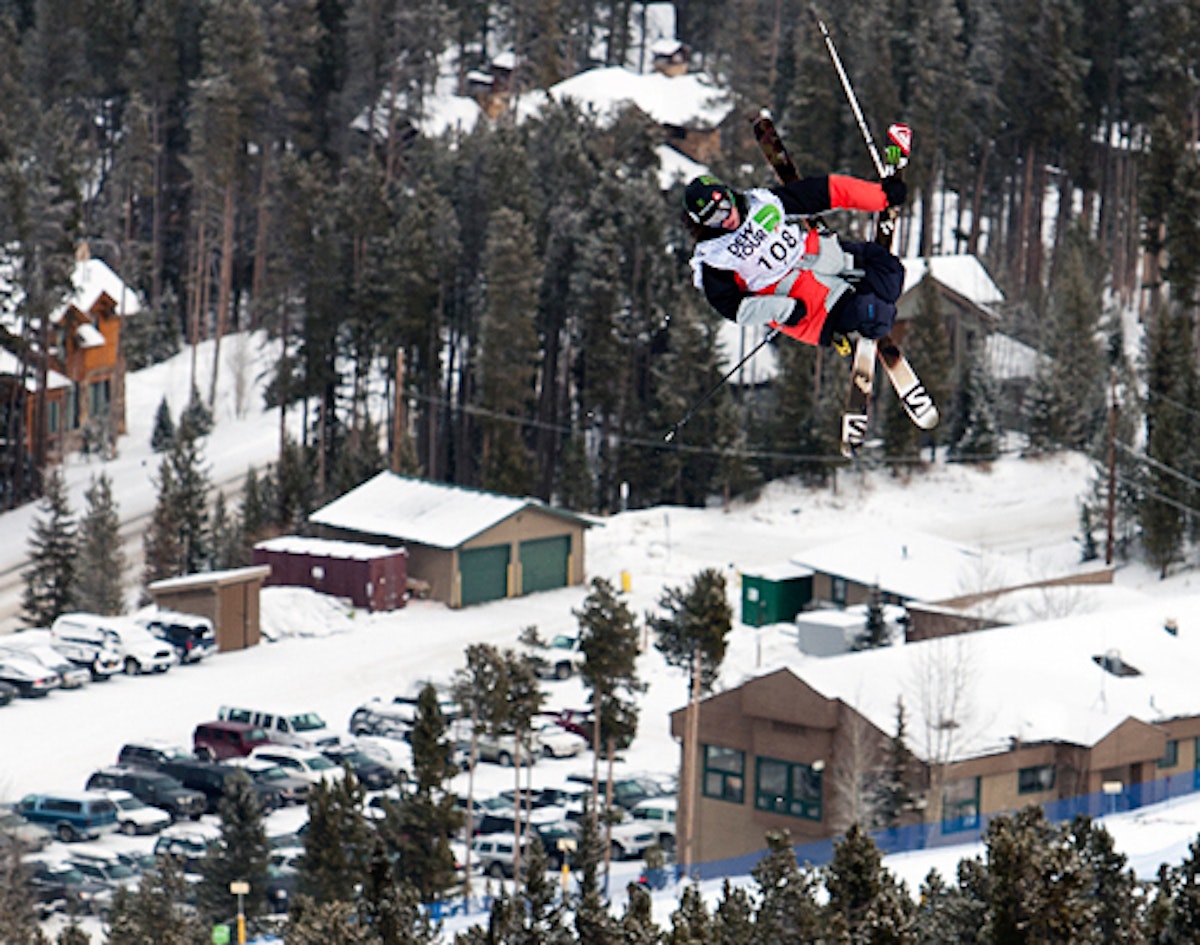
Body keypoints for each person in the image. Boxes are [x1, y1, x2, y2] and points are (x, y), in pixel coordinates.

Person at [682, 172, 907, 347]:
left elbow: (826, 192)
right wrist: (783, 310)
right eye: (713, 219)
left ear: (729, 195)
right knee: (877, 315)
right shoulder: (714, 257)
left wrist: (880, 197)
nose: (725, 220)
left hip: (831, 260)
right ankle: (866, 312)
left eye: (724, 208)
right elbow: (733, 308)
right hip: (812, 307)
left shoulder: (762, 202)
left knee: (891, 269)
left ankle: (867, 301)